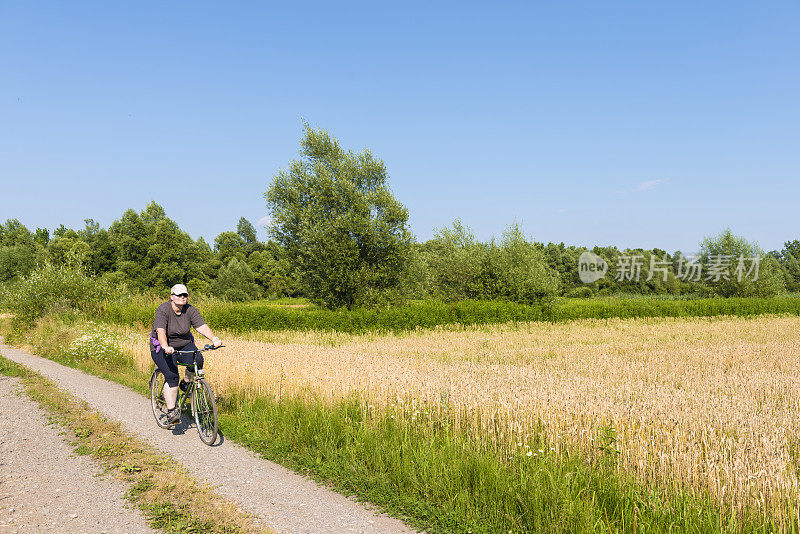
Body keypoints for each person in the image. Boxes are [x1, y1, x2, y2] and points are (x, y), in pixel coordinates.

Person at [150, 283, 222, 424]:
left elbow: (201, 326)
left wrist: (214, 338)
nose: (183, 297)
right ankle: (172, 412)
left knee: (198, 359)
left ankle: (186, 383)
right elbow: (160, 331)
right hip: (163, 347)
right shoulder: (163, 310)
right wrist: (165, 346)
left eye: (185, 295)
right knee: (172, 376)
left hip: (184, 344)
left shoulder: (190, 310)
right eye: (179, 295)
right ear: (172, 296)